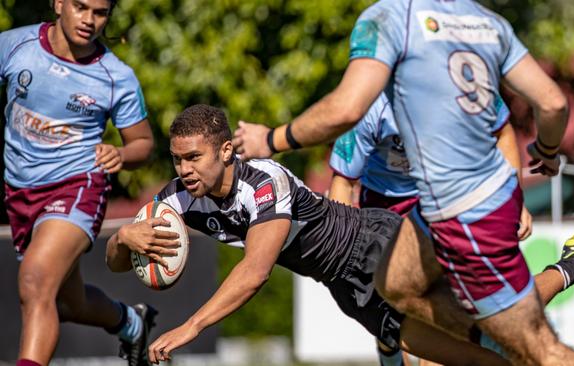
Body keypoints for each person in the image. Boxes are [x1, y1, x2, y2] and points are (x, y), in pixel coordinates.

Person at [230, 1, 574, 364]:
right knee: (394, 284)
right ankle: (486, 334)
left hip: (469, 210)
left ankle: (560, 281)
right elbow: (553, 104)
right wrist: (546, 151)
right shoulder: (484, 20)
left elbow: (345, 108)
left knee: (534, 348)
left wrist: (271, 140)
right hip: (437, 207)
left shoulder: (389, 17)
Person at [105, 104, 513, 366]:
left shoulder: (264, 182)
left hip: (376, 247)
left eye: (194, 157)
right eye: (177, 160)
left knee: (481, 324)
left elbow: (255, 272)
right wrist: (124, 239)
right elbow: (117, 262)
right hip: (343, 285)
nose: (184, 169)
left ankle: (569, 267)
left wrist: (190, 327)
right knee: (473, 358)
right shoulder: (179, 197)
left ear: (226, 150)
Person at [0, 1, 156, 365]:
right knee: (68, 304)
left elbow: (144, 144)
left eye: (100, 12)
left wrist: (122, 154)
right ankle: (131, 323)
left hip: (77, 186)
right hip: (20, 191)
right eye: (80, 6)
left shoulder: (116, 76)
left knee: (36, 281)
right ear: (58, 3)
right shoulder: (15, 46)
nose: (89, 20)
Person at [327, 92, 530, 366]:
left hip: (445, 197)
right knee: (392, 306)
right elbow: (344, 182)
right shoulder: (368, 103)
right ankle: (388, 343)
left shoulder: (467, 80)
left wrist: (513, 198)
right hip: (383, 208)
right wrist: (346, 246)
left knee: (439, 304)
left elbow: (502, 135)